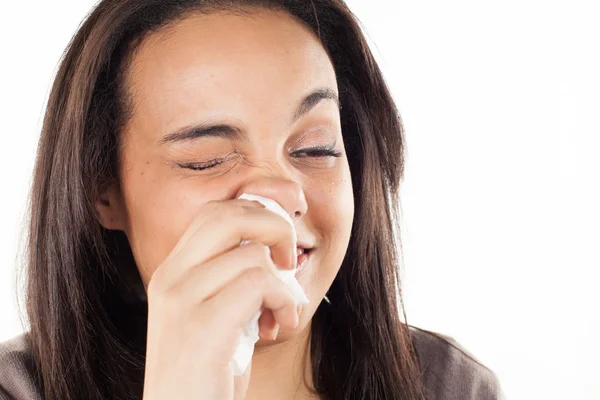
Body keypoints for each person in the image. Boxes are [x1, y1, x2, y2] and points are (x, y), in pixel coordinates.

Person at [0, 0, 505, 399]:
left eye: (316, 148)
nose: (282, 195)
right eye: (207, 158)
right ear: (101, 192)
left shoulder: (449, 388)